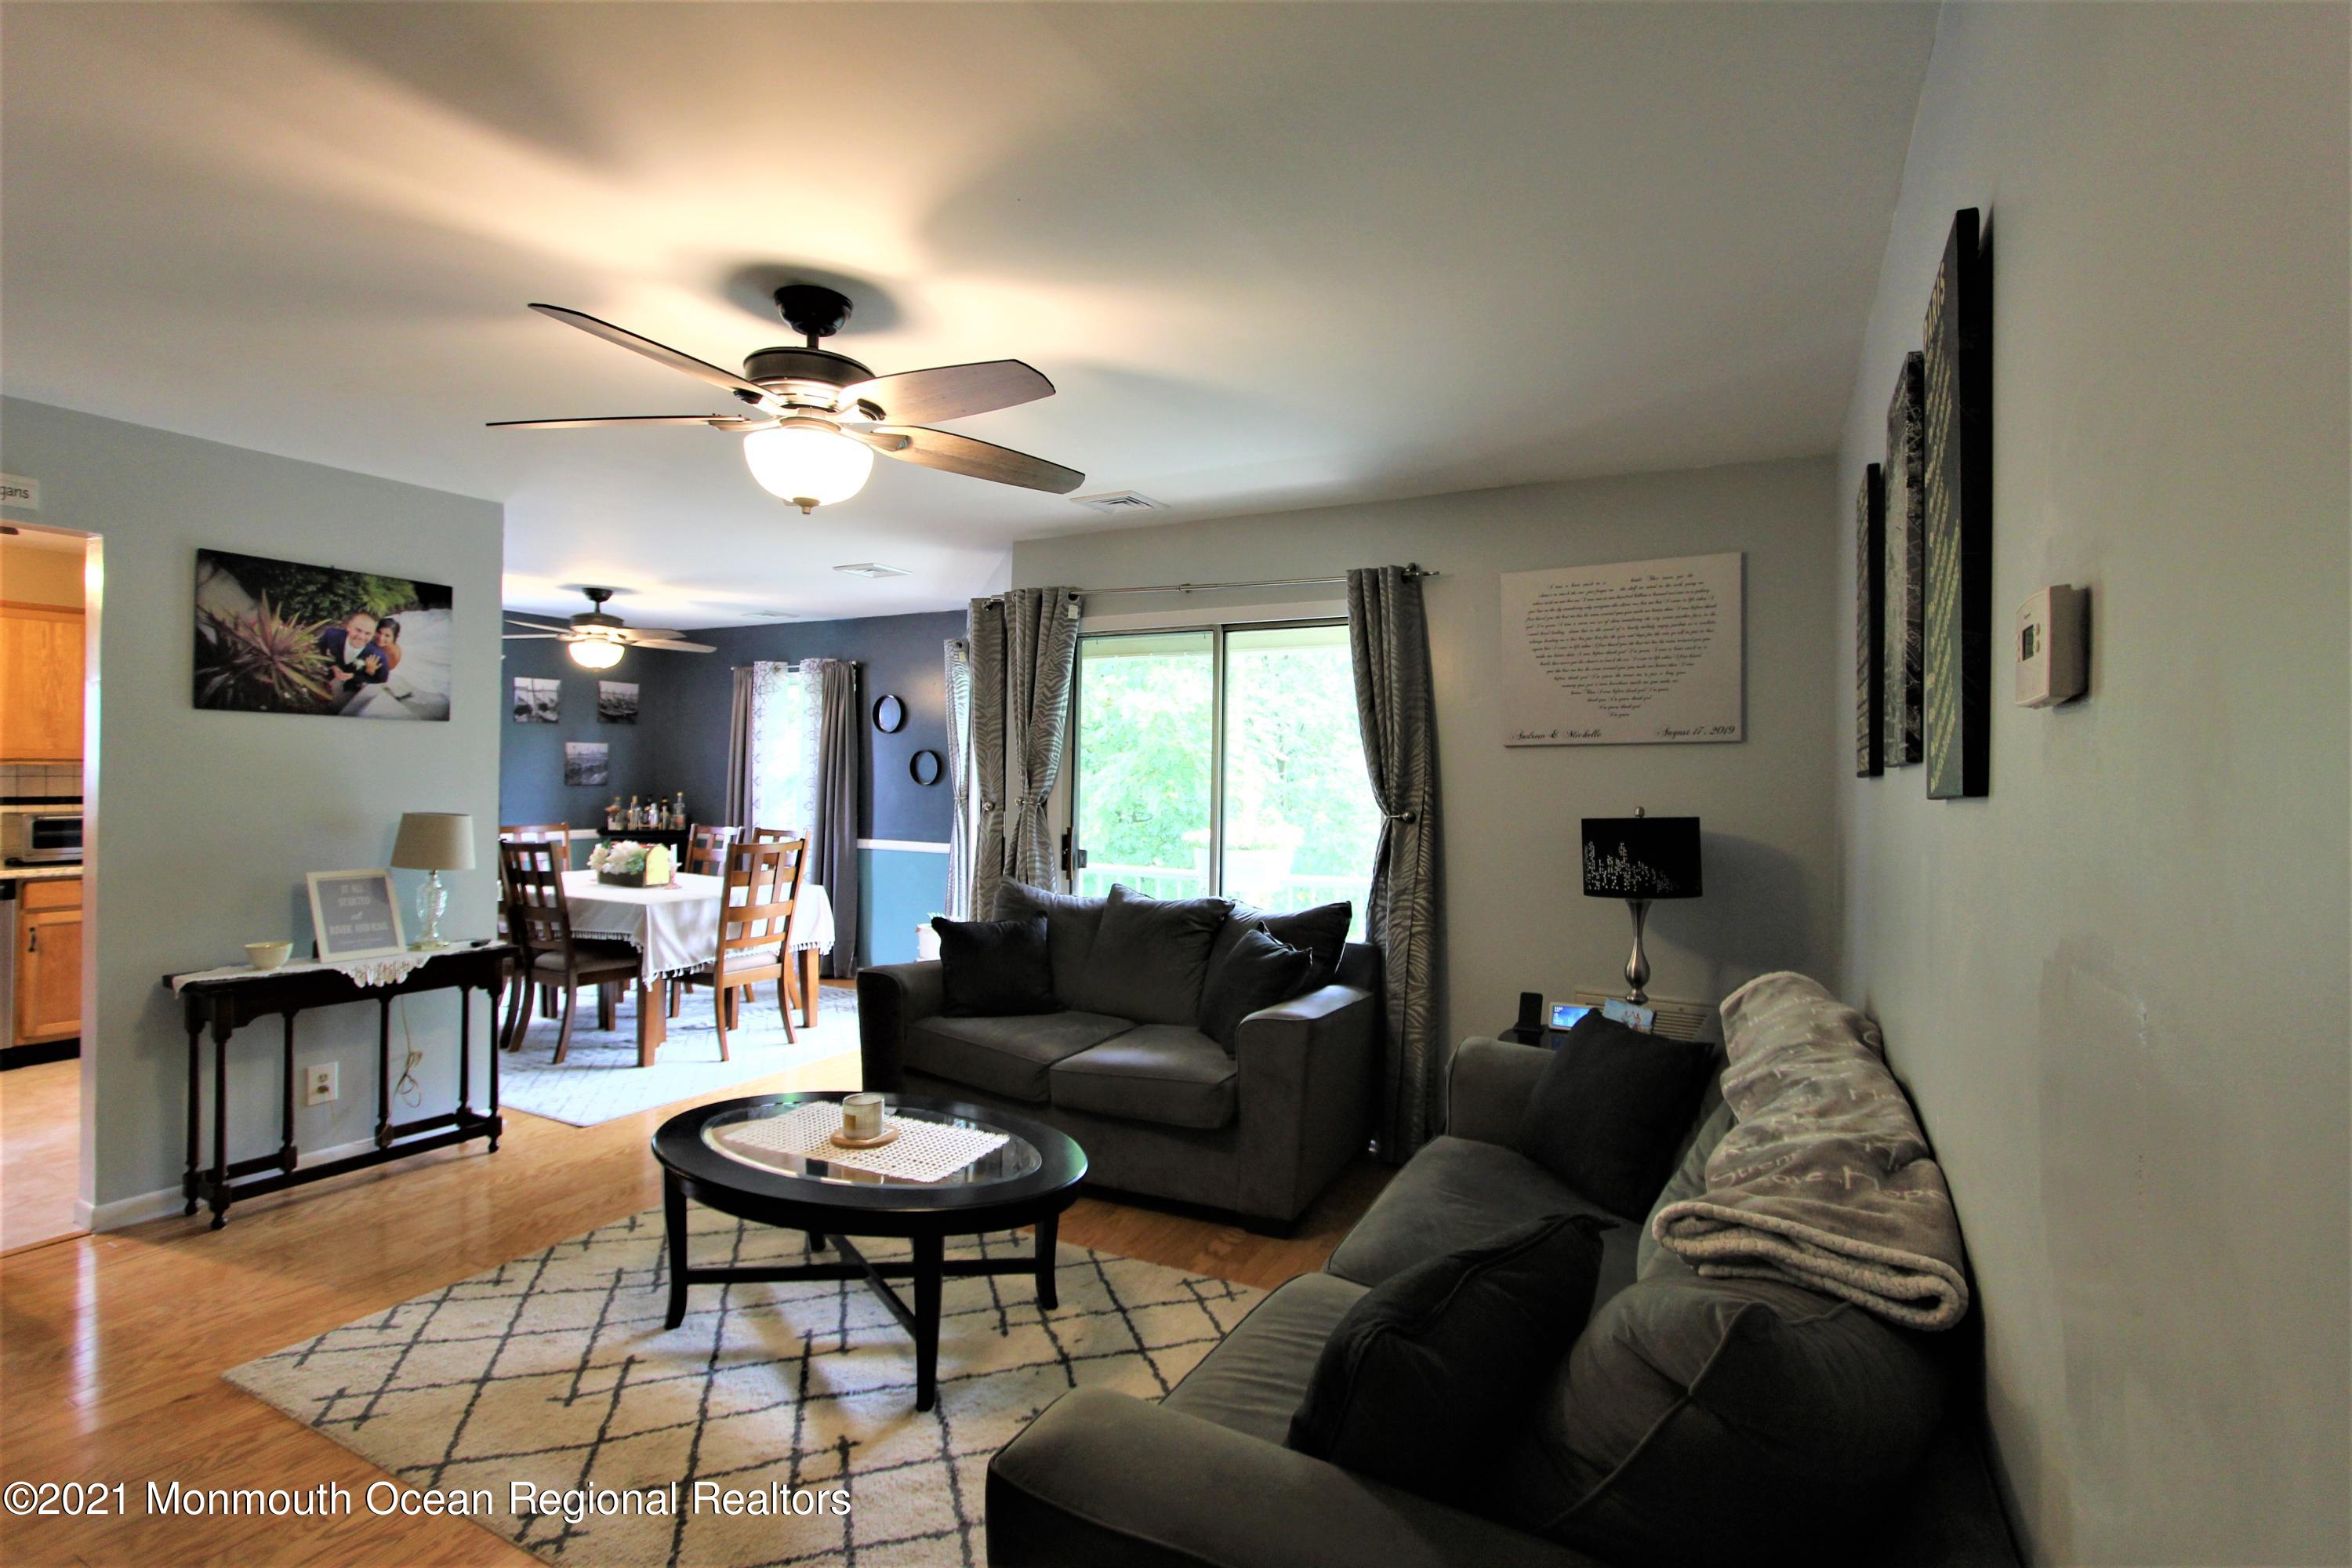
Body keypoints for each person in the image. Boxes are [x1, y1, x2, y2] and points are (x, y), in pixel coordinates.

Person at [315, 610, 378, 698]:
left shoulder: (372, 652)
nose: (361, 636)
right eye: (358, 630)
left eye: (367, 633)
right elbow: (321, 647)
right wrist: (333, 666)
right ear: (349, 627)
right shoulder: (333, 636)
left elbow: (376, 675)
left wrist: (354, 676)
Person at [352, 617, 401, 685]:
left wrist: (371, 671)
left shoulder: (393, 655)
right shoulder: (372, 637)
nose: (381, 638)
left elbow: (380, 676)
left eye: (387, 636)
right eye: (379, 632)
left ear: (394, 637)